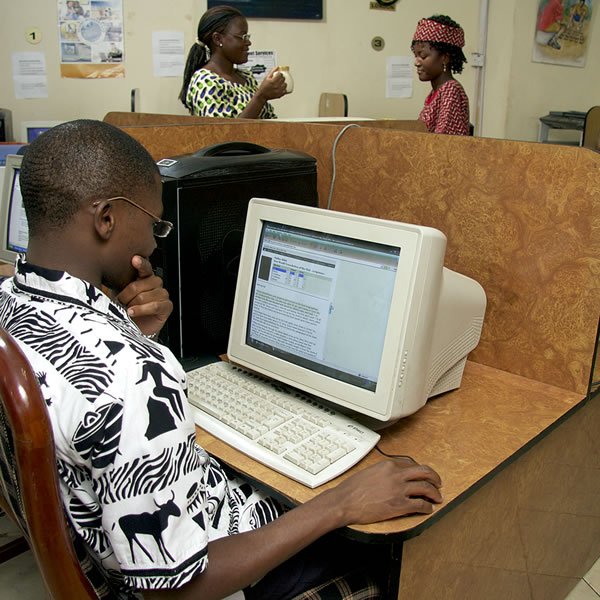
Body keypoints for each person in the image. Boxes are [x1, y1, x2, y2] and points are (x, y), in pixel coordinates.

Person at [0, 120, 443, 600]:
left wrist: (130, 332)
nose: (154, 243)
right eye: (153, 222)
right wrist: (341, 505)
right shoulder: (131, 376)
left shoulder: (11, 304)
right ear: (106, 218)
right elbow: (178, 592)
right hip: (209, 572)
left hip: (127, 543)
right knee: (387, 552)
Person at [178, 5, 287, 119]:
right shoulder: (205, 81)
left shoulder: (247, 77)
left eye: (248, 37)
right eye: (242, 37)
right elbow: (225, 133)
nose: (248, 42)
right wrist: (261, 96)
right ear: (218, 39)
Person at [411, 15, 470, 136]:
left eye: (423, 56)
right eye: (415, 56)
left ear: (444, 58)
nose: (416, 62)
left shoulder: (451, 91)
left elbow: (442, 144)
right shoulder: (436, 92)